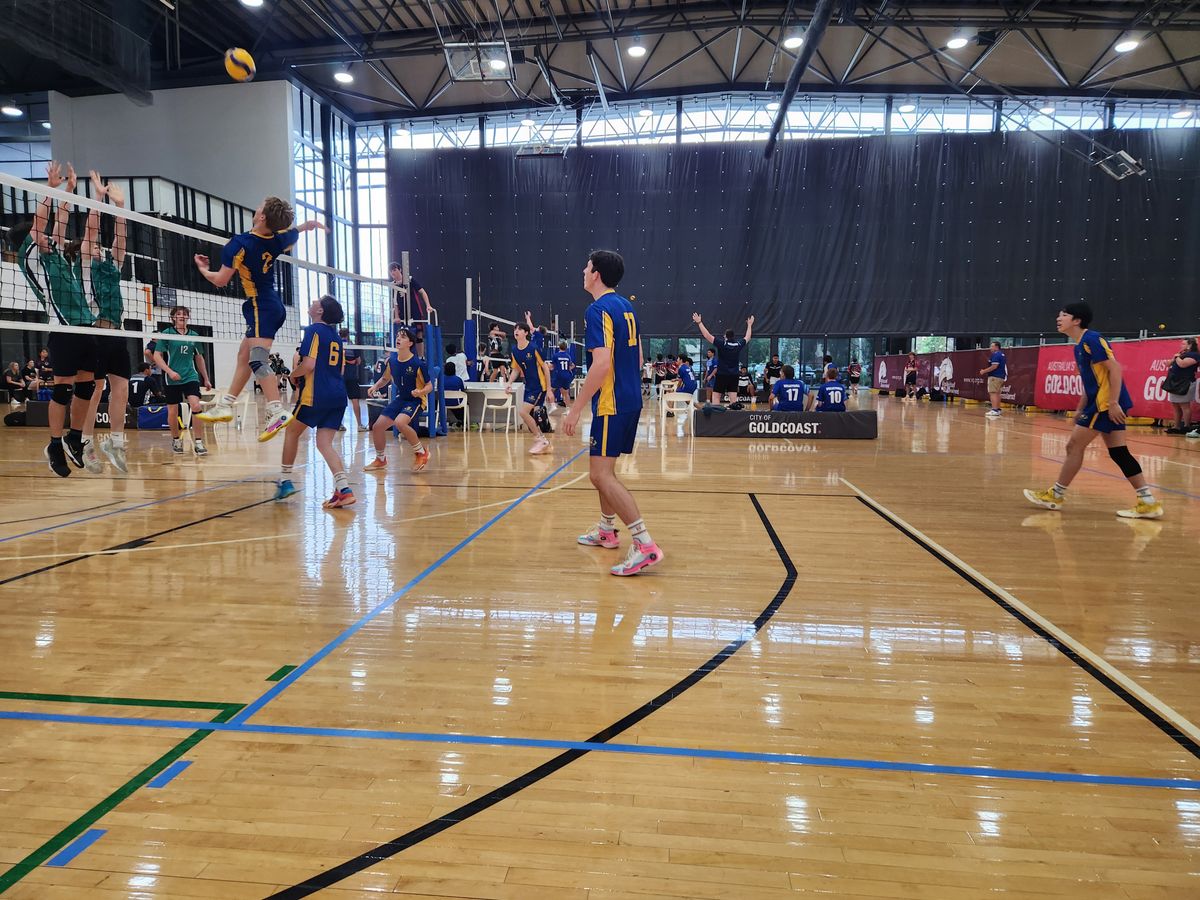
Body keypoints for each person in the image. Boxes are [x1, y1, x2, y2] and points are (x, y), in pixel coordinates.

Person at [193, 196, 327, 440]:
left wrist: (203, 270)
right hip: (272, 305)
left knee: (256, 360)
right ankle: (226, 404)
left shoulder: (239, 244)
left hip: (260, 306)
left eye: (259, 207)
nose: (256, 208)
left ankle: (276, 410)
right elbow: (293, 232)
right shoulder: (277, 238)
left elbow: (221, 280)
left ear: (262, 216)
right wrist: (307, 226)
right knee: (243, 356)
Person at [563, 249, 662, 577]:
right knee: (605, 470)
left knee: (600, 475)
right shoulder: (626, 307)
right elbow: (638, 358)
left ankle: (645, 545)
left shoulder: (597, 310)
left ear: (596, 274)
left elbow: (602, 364)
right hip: (630, 399)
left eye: (587, 266)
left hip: (612, 402)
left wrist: (575, 409)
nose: (583, 270)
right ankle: (607, 530)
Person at [1024, 303, 1162, 519]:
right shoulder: (1078, 346)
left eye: (1064, 315)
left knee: (1073, 446)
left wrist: (1113, 402)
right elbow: (1092, 382)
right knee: (1119, 452)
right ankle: (1148, 502)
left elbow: (1115, 369)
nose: (1058, 318)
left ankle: (1055, 495)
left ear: (1077, 320)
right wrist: (1080, 408)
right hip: (1100, 403)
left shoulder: (1092, 339)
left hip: (1105, 404)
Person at [29, 162, 98, 477]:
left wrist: (69, 190)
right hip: (63, 329)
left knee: (87, 387)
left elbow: (61, 220)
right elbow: (39, 225)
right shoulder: (33, 256)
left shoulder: (57, 253)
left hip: (85, 327)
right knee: (62, 391)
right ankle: (55, 445)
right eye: (42, 237)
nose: (48, 237)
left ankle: (74, 437)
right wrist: (51, 189)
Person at [275, 295, 354, 508]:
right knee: (324, 443)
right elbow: (341, 369)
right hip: (338, 395)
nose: (312, 303)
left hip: (316, 395)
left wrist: (293, 375)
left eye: (316, 302)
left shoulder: (313, 331)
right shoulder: (336, 337)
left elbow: (309, 364)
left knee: (291, 432)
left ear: (320, 311)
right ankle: (344, 489)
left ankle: (285, 481)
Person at [78, 171, 132, 473]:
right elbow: (91, 232)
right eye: (95, 247)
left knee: (121, 389)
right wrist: (98, 199)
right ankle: (85, 443)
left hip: (116, 333)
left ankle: (116, 441)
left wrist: (121, 207)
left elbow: (120, 240)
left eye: (101, 247)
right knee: (96, 389)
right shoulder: (86, 266)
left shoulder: (113, 267)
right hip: (94, 333)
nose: (99, 248)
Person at [365, 327, 432, 473]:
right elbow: (385, 378)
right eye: (397, 336)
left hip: (415, 400)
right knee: (377, 427)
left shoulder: (418, 364)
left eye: (403, 337)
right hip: (401, 398)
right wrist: (375, 386)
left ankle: (421, 453)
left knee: (400, 423)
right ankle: (380, 459)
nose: (398, 339)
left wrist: (420, 391)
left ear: (410, 343)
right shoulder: (392, 360)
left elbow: (429, 386)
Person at [150, 306, 212, 457]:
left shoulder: (194, 335)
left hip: (190, 376)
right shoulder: (167, 334)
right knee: (173, 411)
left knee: (196, 406)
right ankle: (176, 439)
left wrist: (206, 378)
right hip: (172, 378)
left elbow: (199, 358)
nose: (182, 316)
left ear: (188, 317)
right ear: (173, 318)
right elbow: (157, 356)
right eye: (178, 314)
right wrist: (170, 372)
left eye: (184, 314)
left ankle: (198, 442)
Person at [505, 311, 552, 455]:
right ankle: (541, 439)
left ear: (526, 333)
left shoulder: (533, 348)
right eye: (515, 329)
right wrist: (509, 382)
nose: (516, 331)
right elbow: (516, 369)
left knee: (523, 412)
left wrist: (549, 389)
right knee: (527, 414)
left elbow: (545, 368)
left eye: (519, 329)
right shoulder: (514, 351)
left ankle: (540, 439)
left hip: (539, 386)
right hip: (529, 386)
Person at [693, 312, 753, 406]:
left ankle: (716, 414)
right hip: (734, 375)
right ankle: (734, 413)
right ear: (733, 336)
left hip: (722, 374)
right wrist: (749, 325)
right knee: (733, 398)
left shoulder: (722, 344)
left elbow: (707, 335)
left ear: (725, 336)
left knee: (716, 396)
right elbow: (748, 337)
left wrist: (699, 323)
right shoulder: (738, 344)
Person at [1163, 338, 1200, 435]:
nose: (1181, 345)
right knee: (1175, 405)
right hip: (1174, 382)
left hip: (1185, 383)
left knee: (1184, 405)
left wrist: (1177, 357)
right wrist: (1171, 360)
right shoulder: (1181, 354)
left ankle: (1186, 426)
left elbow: (1183, 364)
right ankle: (1176, 426)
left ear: (1190, 345)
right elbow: (1169, 364)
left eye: (1183, 344)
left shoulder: (1194, 355)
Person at [339, 328, 366, 431]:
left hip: (340, 376)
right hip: (352, 376)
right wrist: (351, 361)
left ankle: (339, 424)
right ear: (348, 335)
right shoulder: (353, 346)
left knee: (341, 400)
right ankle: (359, 425)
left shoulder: (337, 346)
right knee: (355, 400)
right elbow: (358, 361)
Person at [979, 341, 1007, 417]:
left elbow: (994, 366)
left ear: (996, 347)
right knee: (997, 393)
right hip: (1001, 377)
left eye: (992, 346)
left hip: (995, 377)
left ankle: (994, 410)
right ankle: (998, 409)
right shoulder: (1002, 354)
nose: (990, 348)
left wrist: (984, 371)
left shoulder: (996, 355)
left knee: (993, 392)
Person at [549, 341, 575, 407]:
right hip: (567, 375)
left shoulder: (556, 355)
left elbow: (551, 367)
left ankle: (552, 406)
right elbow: (573, 365)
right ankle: (568, 408)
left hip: (559, 375)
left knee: (551, 391)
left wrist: (547, 367)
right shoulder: (568, 356)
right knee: (566, 393)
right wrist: (568, 369)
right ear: (566, 348)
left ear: (559, 347)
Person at [443, 361, 466, 428]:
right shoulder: (458, 380)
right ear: (454, 369)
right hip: (456, 403)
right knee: (464, 403)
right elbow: (463, 391)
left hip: (443, 403)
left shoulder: (441, 379)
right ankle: (463, 421)